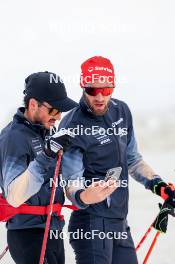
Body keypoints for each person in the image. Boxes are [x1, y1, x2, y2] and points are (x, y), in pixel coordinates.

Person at [60, 56, 175, 264]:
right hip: (90, 224)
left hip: (119, 221)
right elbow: (70, 182)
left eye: (107, 90)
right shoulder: (71, 126)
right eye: (93, 90)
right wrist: (85, 195)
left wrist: (159, 186)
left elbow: (133, 159)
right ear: (83, 86)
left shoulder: (121, 111)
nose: (100, 97)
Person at [0, 71, 78, 264]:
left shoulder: (45, 133)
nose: (59, 117)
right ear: (33, 104)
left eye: (61, 111)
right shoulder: (13, 138)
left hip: (52, 230)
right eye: (54, 110)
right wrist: (47, 155)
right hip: (28, 235)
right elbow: (15, 196)